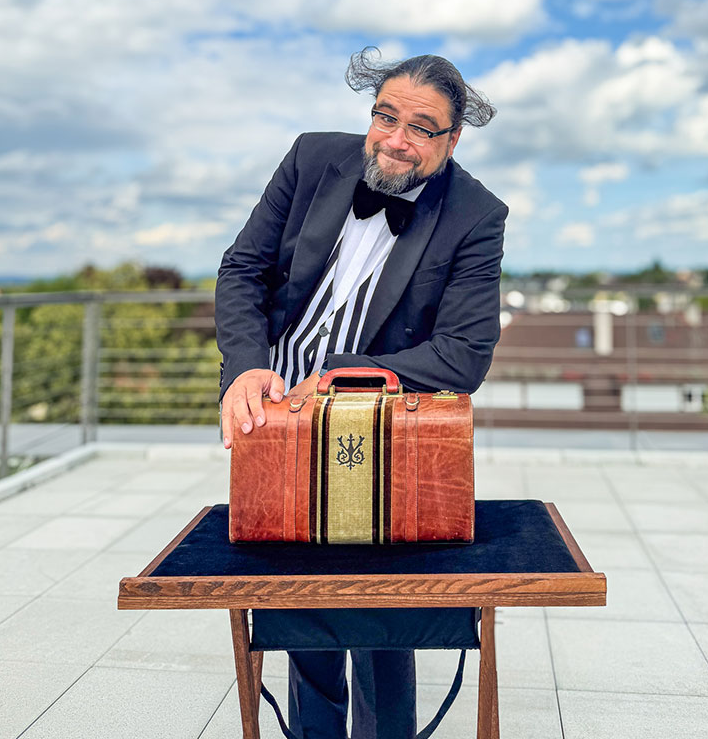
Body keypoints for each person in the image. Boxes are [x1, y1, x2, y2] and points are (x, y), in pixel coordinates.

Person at [215, 47, 508, 739]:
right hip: (278, 416)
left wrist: (336, 375)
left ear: (452, 140)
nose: (397, 139)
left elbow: (464, 354)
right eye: (386, 116)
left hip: (384, 426)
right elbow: (242, 269)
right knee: (297, 600)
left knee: (382, 612)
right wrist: (246, 368)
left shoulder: (477, 213)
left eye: (421, 127)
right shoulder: (310, 157)